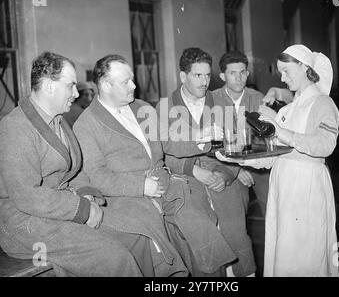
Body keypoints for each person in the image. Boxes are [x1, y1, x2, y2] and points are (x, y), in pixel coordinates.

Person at [73, 54, 237, 277]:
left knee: (203, 231)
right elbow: (97, 176)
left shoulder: (141, 108)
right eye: (125, 82)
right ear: (105, 85)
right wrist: (141, 186)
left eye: (132, 79)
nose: (134, 85)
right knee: (161, 252)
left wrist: (204, 139)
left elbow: (170, 142)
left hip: (167, 186)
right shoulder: (87, 124)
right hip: (128, 198)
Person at [0, 51, 156, 276]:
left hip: (57, 209)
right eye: (70, 85)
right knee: (113, 256)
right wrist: (82, 209)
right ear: (49, 86)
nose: (76, 93)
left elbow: (75, 171)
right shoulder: (15, 127)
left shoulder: (58, 120)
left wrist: (86, 193)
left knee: (137, 238)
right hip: (24, 223)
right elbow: (27, 195)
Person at [217, 44, 339, 277]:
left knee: (307, 254)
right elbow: (276, 156)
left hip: (307, 185)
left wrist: (279, 129)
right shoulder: (288, 109)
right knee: (285, 251)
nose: (282, 79)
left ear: (304, 68)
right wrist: (238, 159)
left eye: (286, 71)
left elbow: (325, 145)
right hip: (283, 183)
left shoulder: (323, 103)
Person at [157, 47, 256, 277]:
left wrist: (225, 174)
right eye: (197, 76)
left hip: (223, 181)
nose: (204, 82)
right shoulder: (165, 108)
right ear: (183, 76)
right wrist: (192, 170)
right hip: (187, 183)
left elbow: (235, 148)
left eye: (207, 76)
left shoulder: (221, 103)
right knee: (205, 250)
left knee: (237, 238)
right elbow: (161, 154)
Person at [212, 50, 269, 217]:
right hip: (228, 166)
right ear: (222, 76)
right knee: (234, 220)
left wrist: (251, 167)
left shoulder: (259, 98)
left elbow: (266, 139)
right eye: (232, 73)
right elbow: (214, 143)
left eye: (242, 72)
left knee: (273, 215)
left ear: (248, 74)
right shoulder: (212, 100)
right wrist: (237, 169)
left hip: (259, 166)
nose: (238, 78)